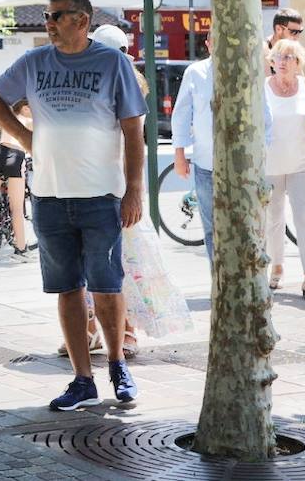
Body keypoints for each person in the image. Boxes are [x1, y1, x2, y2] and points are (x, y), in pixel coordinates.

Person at [0, 0, 145, 411]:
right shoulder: (35, 62)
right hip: (51, 196)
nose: (48, 23)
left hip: (101, 196)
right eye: (46, 16)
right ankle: (82, 379)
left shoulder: (113, 63)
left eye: (55, 16)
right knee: (67, 288)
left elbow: (133, 130)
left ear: (82, 20)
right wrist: (24, 138)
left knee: (107, 286)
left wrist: (134, 190)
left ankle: (117, 364)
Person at [90, 24, 193, 358]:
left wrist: (132, 191)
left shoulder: (129, 88)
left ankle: (127, 330)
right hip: (90, 184)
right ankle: (91, 330)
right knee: (90, 262)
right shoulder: (91, 83)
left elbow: (135, 143)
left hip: (117, 186)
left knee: (125, 262)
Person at [169, 27, 274, 264]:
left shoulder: (249, 70)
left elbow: (265, 115)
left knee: (248, 223)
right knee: (211, 227)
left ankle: (249, 277)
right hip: (207, 165)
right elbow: (182, 114)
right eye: (214, 41)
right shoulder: (195, 72)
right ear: (207, 44)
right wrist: (179, 154)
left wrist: (262, 152)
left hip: (244, 165)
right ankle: (218, 281)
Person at [264, 38, 305, 298]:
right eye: (277, 57)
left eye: (287, 57)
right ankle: (276, 267)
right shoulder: (262, 88)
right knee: (273, 218)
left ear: (298, 62)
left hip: (302, 161)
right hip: (270, 163)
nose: (281, 61)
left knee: (304, 217)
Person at [0, 99, 32, 255]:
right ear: (25, 108)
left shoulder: (8, 119)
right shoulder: (28, 120)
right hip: (15, 157)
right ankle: (21, 249)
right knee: (17, 209)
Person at [264, 8, 305, 74]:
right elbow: (266, 82)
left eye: (299, 31)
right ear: (278, 29)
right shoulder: (264, 50)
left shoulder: (293, 50)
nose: (297, 37)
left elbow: (300, 79)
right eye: (294, 32)